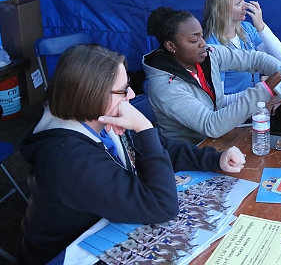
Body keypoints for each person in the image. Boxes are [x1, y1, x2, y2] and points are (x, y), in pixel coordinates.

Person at [18, 44, 247, 265]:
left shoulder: (100, 120)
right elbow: (162, 206)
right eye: (123, 89)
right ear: (93, 95)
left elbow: (159, 148)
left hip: (104, 231)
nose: (132, 94)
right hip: (69, 254)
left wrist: (214, 159)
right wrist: (144, 128)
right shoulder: (68, 158)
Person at [143, 7, 281, 144]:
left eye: (201, 35)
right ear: (171, 46)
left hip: (217, 142)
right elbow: (211, 124)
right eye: (194, 40)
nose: (203, 43)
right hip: (190, 155)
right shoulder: (164, 87)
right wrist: (264, 90)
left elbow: (255, 59)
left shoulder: (210, 54)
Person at [203, 0, 281, 103]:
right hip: (235, 115)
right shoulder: (212, 45)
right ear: (221, 9)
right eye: (238, 3)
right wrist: (261, 91)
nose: (245, 6)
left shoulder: (246, 29)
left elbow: (280, 56)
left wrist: (261, 27)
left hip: (256, 106)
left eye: (244, 0)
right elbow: (219, 101)